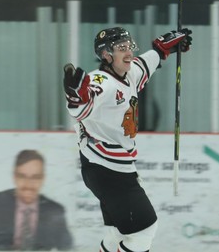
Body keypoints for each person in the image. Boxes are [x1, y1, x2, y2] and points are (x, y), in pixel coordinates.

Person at [63, 27, 192, 252]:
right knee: (144, 230)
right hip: (107, 170)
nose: (129, 52)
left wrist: (164, 49)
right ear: (106, 55)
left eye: (129, 46)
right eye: (121, 48)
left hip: (109, 169)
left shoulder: (130, 73)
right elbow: (83, 106)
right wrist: (77, 97)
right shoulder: (101, 80)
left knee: (120, 232)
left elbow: (149, 60)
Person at [0, 150, 73, 251]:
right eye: (22, 176)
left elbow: (67, 249)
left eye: (35, 177)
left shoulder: (55, 212)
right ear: (14, 177)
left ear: (43, 179)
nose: (28, 184)